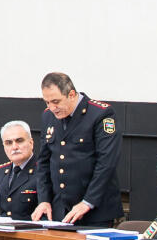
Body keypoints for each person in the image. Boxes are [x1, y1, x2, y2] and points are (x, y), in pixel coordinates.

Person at [32, 72, 120, 227]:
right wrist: (44, 200)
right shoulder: (48, 116)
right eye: (47, 102)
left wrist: (88, 202)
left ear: (71, 95)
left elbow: (106, 163)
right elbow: (44, 162)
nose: (52, 108)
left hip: (94, 210)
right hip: (60, 209)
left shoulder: (100, 113)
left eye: (56, 101)